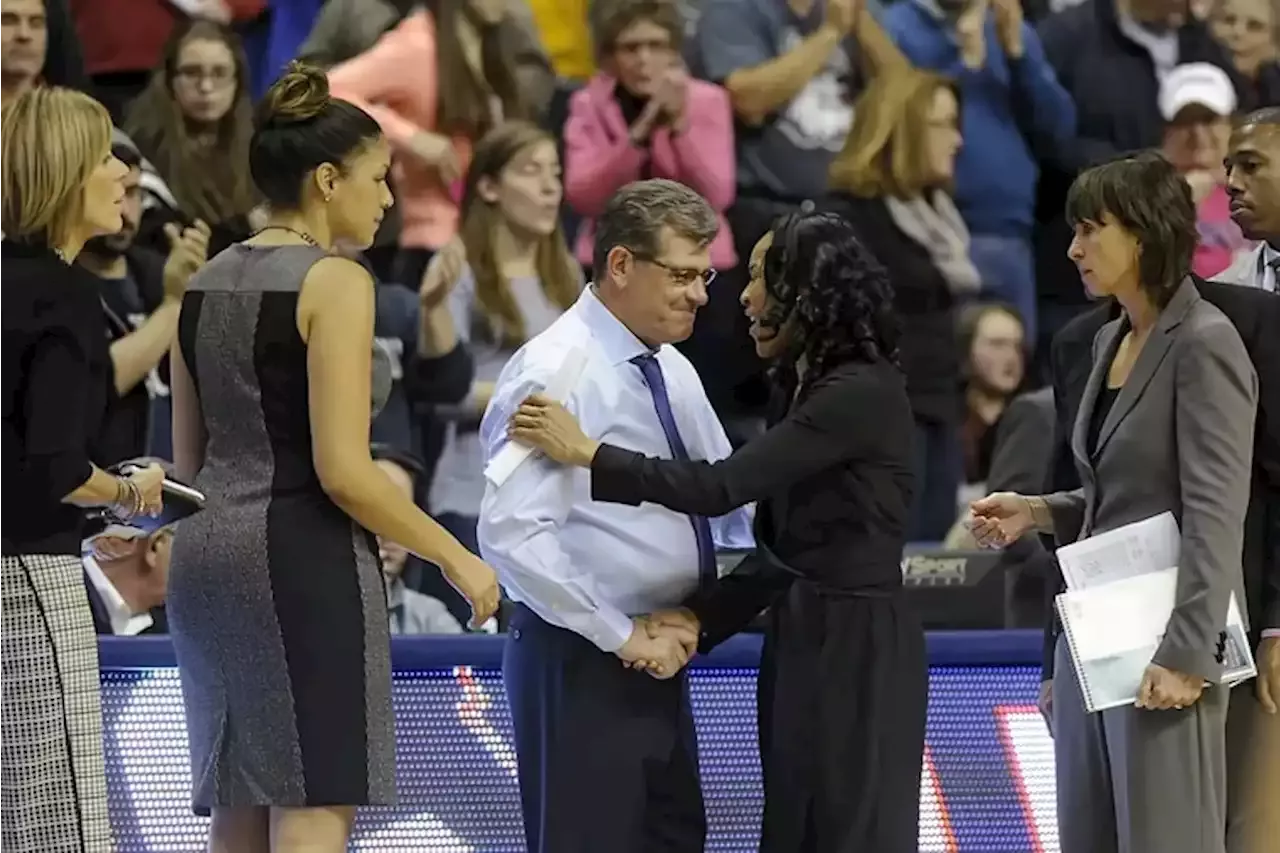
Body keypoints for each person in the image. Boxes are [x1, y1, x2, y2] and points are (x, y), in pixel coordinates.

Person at [508, 211, 924, 852]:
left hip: (858, 646)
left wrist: (590, 453)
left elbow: (719, 489)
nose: (737, 296)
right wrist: (702, 618)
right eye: (689, 275)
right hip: (779, 637)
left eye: (761, 278)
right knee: (793, 823)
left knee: (847, 830)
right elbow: (783, 545)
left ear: (809, 293)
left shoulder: (856, 392)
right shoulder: (799, 385)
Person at [166, 62, 500, 853]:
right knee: (316, 800)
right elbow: (345, 471)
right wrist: (457, 557)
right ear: (325, 180)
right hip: (300, 561)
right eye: (379, 179)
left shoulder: (201, 284)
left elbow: (189, 464)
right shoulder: (337, 281)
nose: (388, 198)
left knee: (239, 807)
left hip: (205, 562)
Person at [969, 151, 1258, 853]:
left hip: (1169, 644)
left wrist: (1189, 652)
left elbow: (1217, 512)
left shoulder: (1207, 342)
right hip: (1094, 639)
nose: (1072, 248)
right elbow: (1114, 495)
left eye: (1091, 229)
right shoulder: (1105, 339)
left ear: (1145, 232)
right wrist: (1038, 510)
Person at [476, 178, 754, 853]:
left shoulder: (673, 367)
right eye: (682, 274)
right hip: (582, 658)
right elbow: (511, 533)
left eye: (705, 275)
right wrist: (621, 634)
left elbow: (725, 499)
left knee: (673, 838)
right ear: (623, 264)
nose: (698, 293)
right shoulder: (558, 368)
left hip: (661, 653)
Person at [0, 85, 166, 853]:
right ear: (68, 171)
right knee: (56, 822)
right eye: (106, 157)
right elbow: (59, 465)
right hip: (27, 582)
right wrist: (130, 492)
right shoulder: (64, 293)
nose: (124, 176)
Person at [823, 68, 968, 541]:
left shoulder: (938, 217)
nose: (958, 140)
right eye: (943, 124)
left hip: (938, 410)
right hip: (883, 430)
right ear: (901, 129)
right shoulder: (846, 218)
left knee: (938, 566)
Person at [426, 120, 581, 553]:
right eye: (532, 171)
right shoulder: (456, 269)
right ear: (490, 188)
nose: (551, 188)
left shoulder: (567, 275)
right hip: (475, 493)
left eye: (555, 172)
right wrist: (529, 399)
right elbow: (443, 393)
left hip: (558, 501)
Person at [1215, 106, 1280, 853]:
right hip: (1245, 589)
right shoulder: (1220, 296)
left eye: (1251, 165)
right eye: (1228, 166)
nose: (1229, 181)